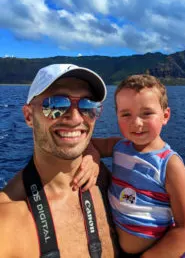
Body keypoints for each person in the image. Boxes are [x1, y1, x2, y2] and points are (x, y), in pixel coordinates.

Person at [0, 63, 119, 258]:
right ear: (29, 116)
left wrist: (93, 152)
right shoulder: (8, 219)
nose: (74, 118)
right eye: (55, 105)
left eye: (87, 105)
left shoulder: (104, 180)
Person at [78, 74, 185, 257]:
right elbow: (86, 142)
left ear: (165, 116)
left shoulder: (170, 165)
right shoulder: (118, 147)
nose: (136, 123)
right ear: (117, 116)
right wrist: (93, 157)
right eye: (126, 114)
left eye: (147, 113)